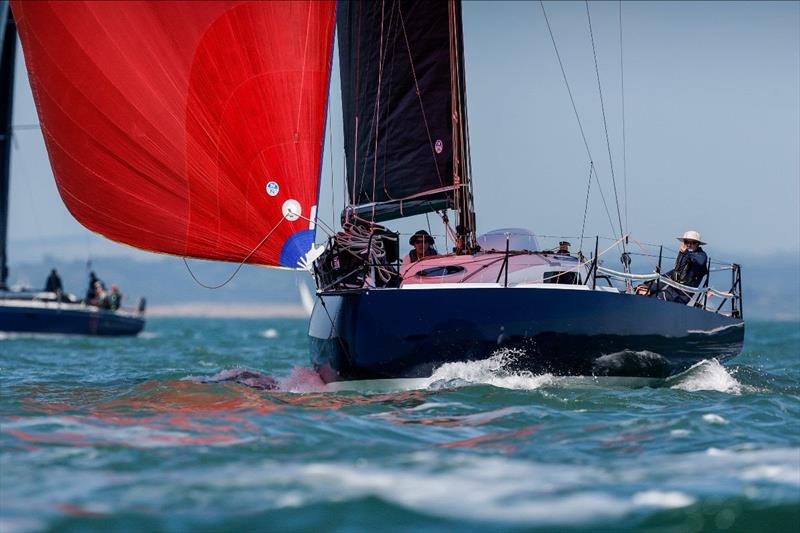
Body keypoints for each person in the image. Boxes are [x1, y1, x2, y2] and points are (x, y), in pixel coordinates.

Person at [637, 230, 708, 304]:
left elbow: (700, 261)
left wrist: (685, 253)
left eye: (693, 242)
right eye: (686, 242)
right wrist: (649, 287)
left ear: (698, 244)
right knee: (644, 295)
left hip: (681, 296)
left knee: (653, 300)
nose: (689, 245)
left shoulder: (702, 255)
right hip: (671, 291)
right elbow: (672, 274)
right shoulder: (683, 255)